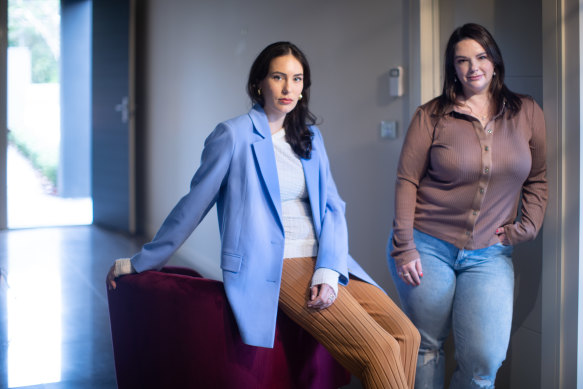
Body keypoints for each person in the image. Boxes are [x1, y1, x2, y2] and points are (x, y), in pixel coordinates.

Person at [107, 41, 420, 389]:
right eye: (278, 77)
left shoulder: (309, 136)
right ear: (259, 83)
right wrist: (142, 260)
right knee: (378, 351)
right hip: (277, 263)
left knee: (406, 336)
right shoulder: (233, 135)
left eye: (297, 79)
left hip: (327, 258)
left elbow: (333, 208)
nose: (289, 88)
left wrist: (330, 269)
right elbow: (193, 204)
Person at [387, 23, 547, 389]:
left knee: (484, 361)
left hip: (490, 255)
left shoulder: (527, 112)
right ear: (453, 68)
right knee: (426, 349)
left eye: (481, 57)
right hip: (426, 247)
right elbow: (406, 181)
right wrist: (404, 246)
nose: (473, 67)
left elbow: (538, 178)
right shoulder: (431, 116)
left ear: (494, 61)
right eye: (462, 61)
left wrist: (529, 225)